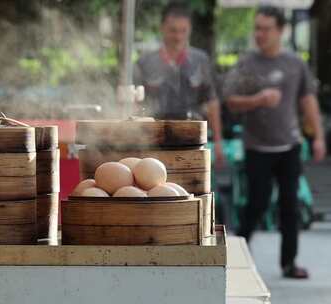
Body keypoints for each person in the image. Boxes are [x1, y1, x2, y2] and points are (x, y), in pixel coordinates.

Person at [224, 6, 326, 279]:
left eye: (266, 28)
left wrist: (318, 137)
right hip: (257, 147)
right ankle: (235, 255)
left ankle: (289, 263)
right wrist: (258, 100)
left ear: (280, 30)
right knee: (256, 203)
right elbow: (231, 100)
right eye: (257, 28)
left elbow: (308, 100)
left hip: (289, 146)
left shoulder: (295, 64)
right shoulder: (247, 64)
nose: (260, 34)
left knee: (290, 207)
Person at [134, 2, 224, 165]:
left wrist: (218, 141)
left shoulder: (200, 60)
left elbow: (211, 101)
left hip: (192, 138)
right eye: (173, 30)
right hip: (155, 140)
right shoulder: (145, 62)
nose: (178, 36)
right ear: (162, 28)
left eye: (183, 31)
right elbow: (135, 103)